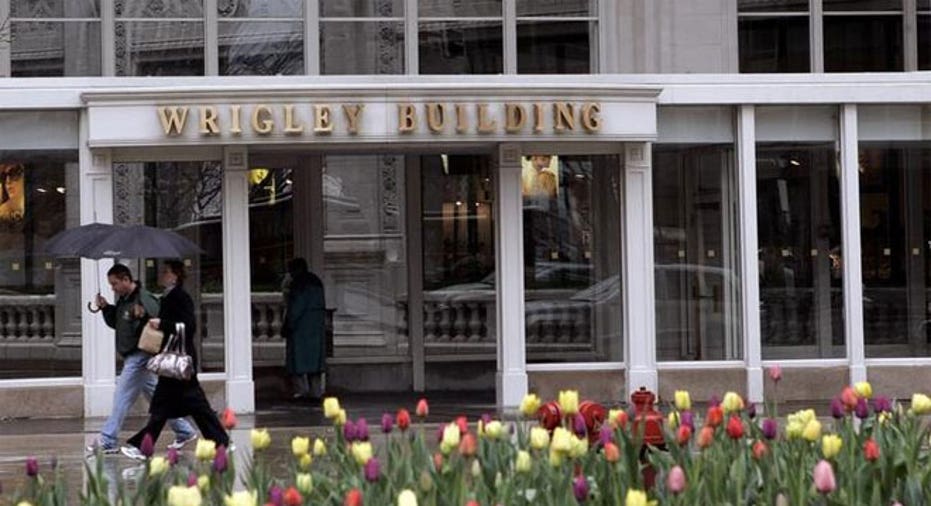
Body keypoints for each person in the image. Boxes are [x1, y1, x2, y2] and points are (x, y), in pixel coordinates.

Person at [121, 260, 230, 460]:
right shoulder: (169, 296)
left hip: (179, 360)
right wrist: (145, 317)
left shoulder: (180, 297)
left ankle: (142, 447)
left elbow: (188, 326)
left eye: (166, 272)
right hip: (174, 361)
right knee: (189, 406)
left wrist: (162, 322)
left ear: (175, 275)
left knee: (168, 407)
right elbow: (165, 323)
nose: (162, 274)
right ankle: (220, 442)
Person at [86, 264, 197, 455]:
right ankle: (184, 430)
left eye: (114, 284)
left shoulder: (144, 298)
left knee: (122, 394)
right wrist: (105, 308)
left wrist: (143, 316)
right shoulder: (124, 299)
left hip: (141, 352)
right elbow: (118, 323)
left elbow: (160, 320)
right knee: (157, 396)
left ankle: (108, 439)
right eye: (111, 284)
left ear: (126, 280)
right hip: (133, 353)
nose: (112, 288)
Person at [282, 257, 327, 400]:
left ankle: (301, 391)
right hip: (316, 328)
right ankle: (316, 392)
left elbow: (295, 309)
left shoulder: (298, 284)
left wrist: (288, 325)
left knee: (297, 363)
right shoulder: (316, 282)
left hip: (300, 329)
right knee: (315, 365)